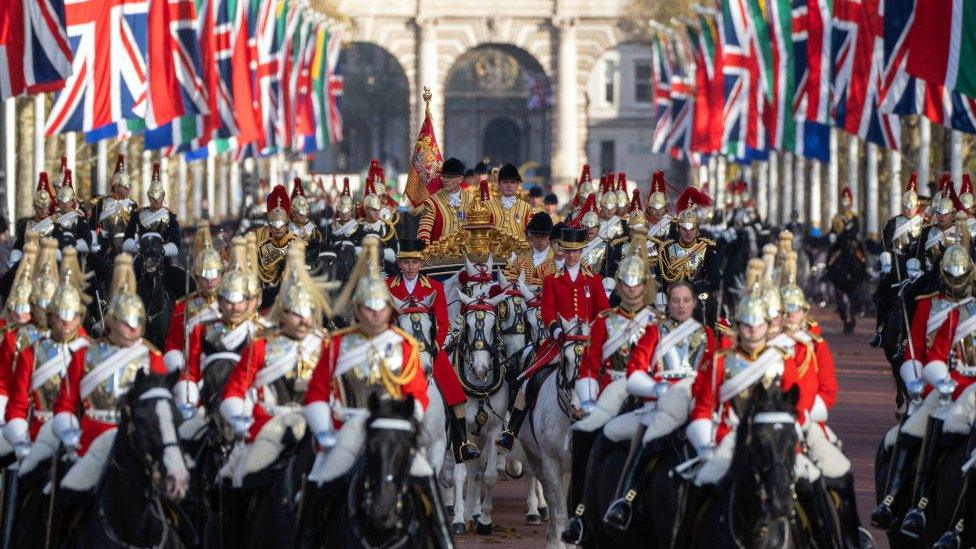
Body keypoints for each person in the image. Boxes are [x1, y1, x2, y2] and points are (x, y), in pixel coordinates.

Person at [300, 239, 450, 546]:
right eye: (368, 308)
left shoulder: (405, 345)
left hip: (393, 428)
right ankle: (307, 539)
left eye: (381, 308)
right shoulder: (337, 344)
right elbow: (316, 393)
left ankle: (442, 541)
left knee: (424, 477)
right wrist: (325, 431)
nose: (375, 315)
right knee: (320, 476)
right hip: (351, 425)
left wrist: (412, 420)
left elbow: (417, 393)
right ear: (357, 309)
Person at [872, 220, 973, 530]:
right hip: (943, 389)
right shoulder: (930, 306)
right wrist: (919, 376)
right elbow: (921, 349)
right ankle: (900, 502)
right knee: (911, 431)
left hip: (970, 393)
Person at [563, 231, 657, 543]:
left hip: (645, 394)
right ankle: (578, 515)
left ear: (645, 287)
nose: (631, 291)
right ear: (618, 286)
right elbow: (590, 365)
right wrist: (588, 402)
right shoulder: (604, 321)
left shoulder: (656, 323)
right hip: (609, 390)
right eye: (626, 285)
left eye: (637, 285)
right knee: (585, 437)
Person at [602, 279, 715, 530]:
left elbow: (714, 373)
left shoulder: (706, 335)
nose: (681, 306)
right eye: (676, 300)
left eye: (686, 301)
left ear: (694, 303)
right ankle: (625, 500)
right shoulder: (654, 332)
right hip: (657, 406)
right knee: (641, 442)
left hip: (696, 407)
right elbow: (635, 371)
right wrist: (656, 388)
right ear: (668, 303)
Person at [51, 254, 169, 492]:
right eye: (126, 321)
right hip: (91, 441)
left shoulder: (153, 358)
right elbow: (65, 404)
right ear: (112, 321)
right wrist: (69, 433)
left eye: (137, 320)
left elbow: (162, 408)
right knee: (65, 495)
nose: (133, 327)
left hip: (139, 446)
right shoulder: (85, 355)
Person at [496, 225, 610, 451]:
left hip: (588, 342)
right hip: (559, 341)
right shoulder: (552, 280)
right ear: (561, 251)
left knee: (612, 374)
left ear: (582, 252)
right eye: (567, 251)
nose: (571, 256)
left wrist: (595, 330)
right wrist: (556, 329)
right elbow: (548, 310)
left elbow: (603, 311)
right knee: (527, 379)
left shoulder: (594, 280)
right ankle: (512, 430)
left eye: (575, 251)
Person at [386, 238, 479, 463]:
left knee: (454, 393)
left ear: (420, 264)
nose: (410, 267)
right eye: (406, 262)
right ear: (399, 263)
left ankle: (461, 444)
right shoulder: (387, 287)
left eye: (414, 262)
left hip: (430, 350)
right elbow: (383, 321)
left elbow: (443, 323)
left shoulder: (434, 287)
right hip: (397, 352)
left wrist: (432, 347)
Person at [4, 248, 89, 464]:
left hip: (77, 432)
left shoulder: (86, 346)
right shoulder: (27, 347)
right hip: (38, 429)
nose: (65, 323)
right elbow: (16, 397)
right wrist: (19, 436)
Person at [174, 238, 263, 416]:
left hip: (248, 401)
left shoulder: (260, 331)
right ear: (220, 301)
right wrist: (188, 394)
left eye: (240, 301)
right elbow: (191, 369)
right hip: (206, 396)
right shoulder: (201, 329)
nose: (235, 308)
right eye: (229, 302)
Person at [654, 187, 720, 325]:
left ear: (697, 229)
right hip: (673, 297)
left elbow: (715, 279)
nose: (688, 233)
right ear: (678, 228)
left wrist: (700, 288)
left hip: (698, 297)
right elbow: (660, 279)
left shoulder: (705, 248)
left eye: (692, 229)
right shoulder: (667, 250)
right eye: (684, 229)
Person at [872, 174, 924, 347]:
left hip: (916, 268)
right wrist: (885, 257)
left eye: (912, 207)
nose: (909, 210)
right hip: (896, 265)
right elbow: (885, 245)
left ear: (917, 206)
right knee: (884, 290)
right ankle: (880, 330)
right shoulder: (894, 223)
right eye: (906, 206)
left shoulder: (924, 224)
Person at [162, 226, 223, 371]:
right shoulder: (183, 306)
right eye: (204, 276)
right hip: (192, 367)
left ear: (221, 275)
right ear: (196, 277)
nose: (209, 281)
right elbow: (173, 342)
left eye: (214, 274)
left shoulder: (231, 302)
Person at [122, 162, 180, 259]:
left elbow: (176, 242)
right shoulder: (138, 214)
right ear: (149, 197)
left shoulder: (170, 216)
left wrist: (163, 250)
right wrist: (136, 246)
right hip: (141, 255)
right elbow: (128, 237)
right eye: (153, 198)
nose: (156, 201)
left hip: (163, 256)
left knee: (176, 274)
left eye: (159, 198)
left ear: (163, 196)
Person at [90, 155, 138, 257]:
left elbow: (136, 227)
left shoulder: (132, 204)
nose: (128, 190)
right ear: (116, 187)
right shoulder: (101, 203)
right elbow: (92, 226)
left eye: (127, 187)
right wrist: (94, 242)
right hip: (105, 242)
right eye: (125, 187)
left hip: (126, 243)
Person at [250, 184, 297, 288]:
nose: (278, 229)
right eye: (274, 224)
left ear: (287, 223)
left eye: (281, 225)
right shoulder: (255, 236)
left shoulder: (296, 242)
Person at [419, 157, 474, 243]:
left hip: (467, 254)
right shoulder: (432, 202)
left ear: (460, 179)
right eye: (443, 176)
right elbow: (424, 231)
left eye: (450, 177)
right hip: (439, 255)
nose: (445, 180)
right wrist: (426, 251)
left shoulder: (472, 200)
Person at [12, 173, 57, 256]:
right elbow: (18, 246)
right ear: (34, 207)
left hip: (49, 258)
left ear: (49, 207)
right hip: (28, 258)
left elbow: (61, 246)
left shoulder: (56, 225)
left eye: (45, 207)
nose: (43, 210)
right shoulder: (25, 224)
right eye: (39, 207)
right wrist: (14, 258)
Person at [507, 212, 557, 284]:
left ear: (550, 237)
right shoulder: (519, 261)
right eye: (536, 236)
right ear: (531, 236)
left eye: (543, 237)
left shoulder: (558, 261)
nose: (540, 241)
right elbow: (510, 285)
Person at [52, 168, 94, 254]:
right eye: (61, 202)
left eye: (67, 202)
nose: (64, 204)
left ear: (72, 201)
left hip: (75, 251)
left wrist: (73, 245)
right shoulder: (53, 218)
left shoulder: (79, 217)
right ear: (58, 202)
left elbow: (87, 238)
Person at [486, 164, 532, 239]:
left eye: (512, 182)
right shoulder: (488, 206)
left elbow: (531, 235)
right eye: (505, 182)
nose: (509, 185)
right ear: (499, 184)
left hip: (519, 250)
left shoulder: (527, 208)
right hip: (495, 250)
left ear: (517, 184)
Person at [287, 178, 325, 268]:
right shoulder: (287, 227)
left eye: (304, 213)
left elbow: (317, 247)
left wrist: (308, 258)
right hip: (290, 262)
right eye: (299, 213)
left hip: (308, 264)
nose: (302, 216)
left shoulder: (313, 229)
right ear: (293, 212)